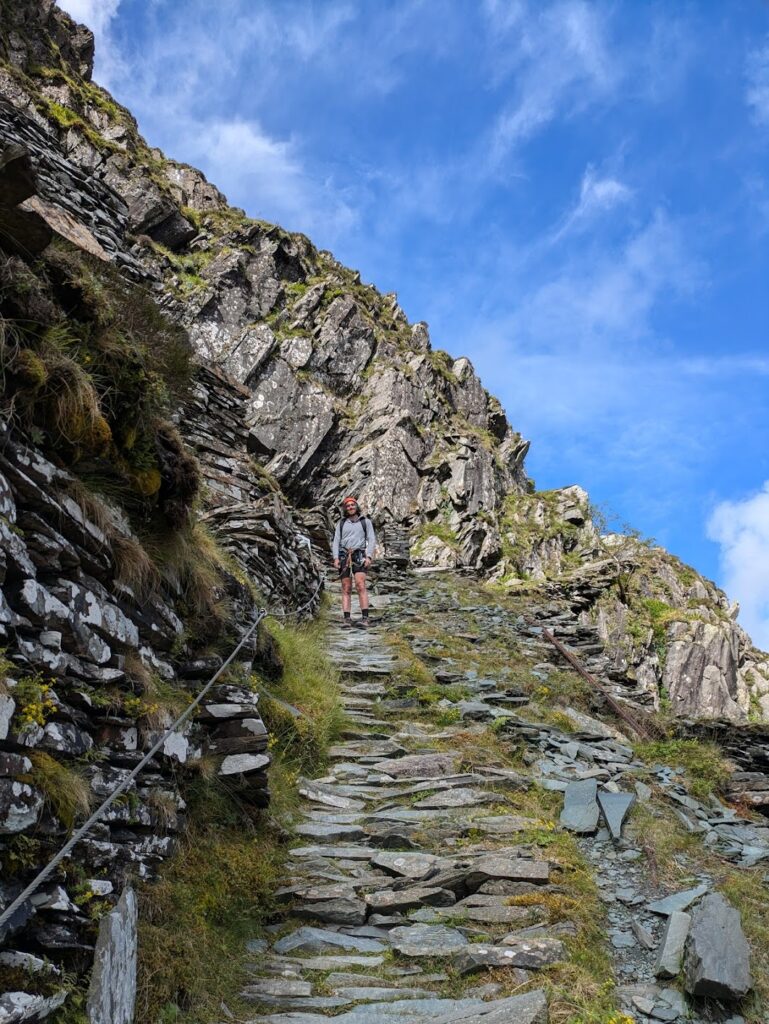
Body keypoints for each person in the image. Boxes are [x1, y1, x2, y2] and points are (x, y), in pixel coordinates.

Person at [332, 496, 376, 627]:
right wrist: (335, 558)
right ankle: (347, 618)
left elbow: (371, 539)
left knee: (360, 585)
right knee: (346, 588)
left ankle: (365, 618)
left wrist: (368, 556)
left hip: (359, 554)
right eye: (348, 506)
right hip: (344, 555)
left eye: (352, 505)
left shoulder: (365, 522)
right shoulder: (341, 523)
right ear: (345, 509)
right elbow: (336, 541)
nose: (350, 507)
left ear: (356, 506)